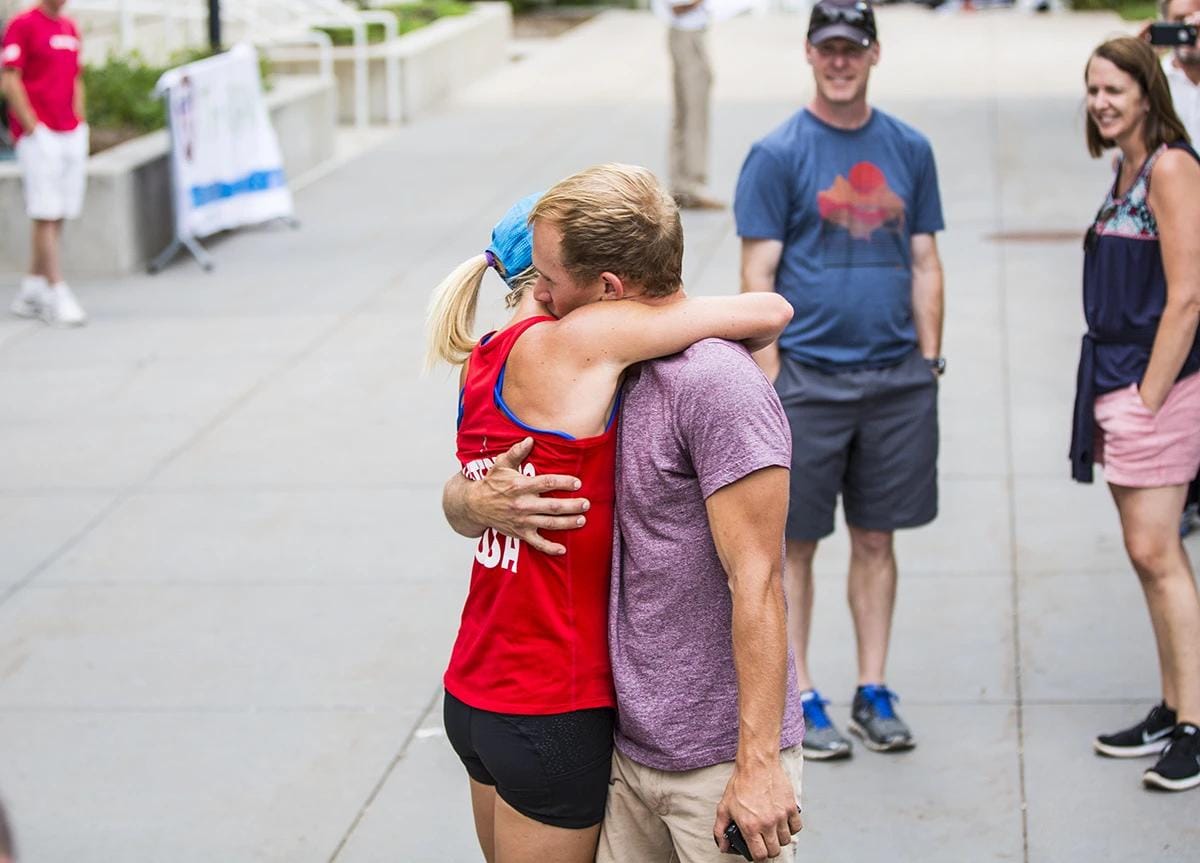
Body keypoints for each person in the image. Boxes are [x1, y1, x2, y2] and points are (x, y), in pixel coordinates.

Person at [428, 165, 797, 863]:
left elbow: (461, 492)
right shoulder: (581, 348)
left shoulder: (486, 360)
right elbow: (770, 310)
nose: (544, 289)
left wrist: (468, 499)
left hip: (479, 686)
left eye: (552, 273)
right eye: (539, 274)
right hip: (552, 699)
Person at [732, 0, 945, 760]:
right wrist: (770, 381)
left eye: (853, 47)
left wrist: (930, 362)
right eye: (828, 48)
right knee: (795, 544)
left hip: (896, 380)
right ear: (809, 53)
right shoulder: (777, 153)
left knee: (878, 537)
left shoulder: (910, 148)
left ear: (875, 55)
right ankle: (803, 693)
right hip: (808, 381)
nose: (840, 60)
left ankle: (873, 686)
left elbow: (924, 260)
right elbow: (756, 273)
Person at [1071, 37, 1200, 793]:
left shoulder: (1173, 168)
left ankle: (1193, 724)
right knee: (1145, 553)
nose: (1102, 102)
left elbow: (1187, 296)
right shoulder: (1127, 168)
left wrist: (1148, 400)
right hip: (1115, 378)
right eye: (1092, 90)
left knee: (1160, 553)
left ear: (1149, 92)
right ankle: (1172, 703)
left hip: (1158, 385)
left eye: (1115, 88)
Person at [1, 0, 87, 327]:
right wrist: (34, 127)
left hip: (68, 132)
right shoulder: (23, 25)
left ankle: (31, 289)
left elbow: (76, 77)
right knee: (45, 213)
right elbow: (10, 79)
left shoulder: (69, 27)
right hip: (40, 136)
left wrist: (79, 121)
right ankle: (56, 290)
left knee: (60, 209)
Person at [652, 0, 724, 210]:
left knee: (686, 113)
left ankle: (682, 184)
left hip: (688, 32)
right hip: (686, 33)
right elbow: (679, 5)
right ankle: (691, 184)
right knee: (693, 113)